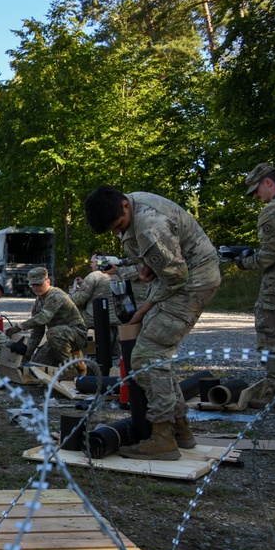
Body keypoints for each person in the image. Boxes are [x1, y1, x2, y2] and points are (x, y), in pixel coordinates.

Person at [84, 185, 220, 460]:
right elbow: (156, 263)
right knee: (157, 356)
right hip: (183, 279)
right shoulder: (134, 207)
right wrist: (135, 267)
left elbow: (175, 277)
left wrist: (144, 309)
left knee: (146, 357)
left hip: (191, 284)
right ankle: (180, 429)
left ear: (124, 206)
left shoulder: (149, 225)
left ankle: (162, 438)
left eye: (118, 226)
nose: (117, 232)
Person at [235, 163, 275, 409]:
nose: (256, 197)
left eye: (256, 191)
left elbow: (272, 252)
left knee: (270, 339)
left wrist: (244, 262)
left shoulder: (272, 210)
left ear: (268, 182)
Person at [5, 267, 87, 373]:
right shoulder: (38, 302)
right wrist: (26, 355)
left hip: (77, 334)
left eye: (39, 284)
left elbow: (43, 317)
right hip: (59, 337)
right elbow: (37, 332)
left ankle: (69, 369)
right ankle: (76, 363)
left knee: (53, 333)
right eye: (33, 285)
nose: (36, 288)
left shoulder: (56, 295)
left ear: (48, 281)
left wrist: (19, 327)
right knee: (38, 363)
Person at [69, 251, 122, 359]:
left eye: (92, 262)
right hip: (117, 318)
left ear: (99, 262)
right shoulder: (118, 275)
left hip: (95, 317)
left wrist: (71, 294)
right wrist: (84, 283)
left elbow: (79, 299)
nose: (91, 264)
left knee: (74, 313)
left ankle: (79, 352)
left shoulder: (93, 276)